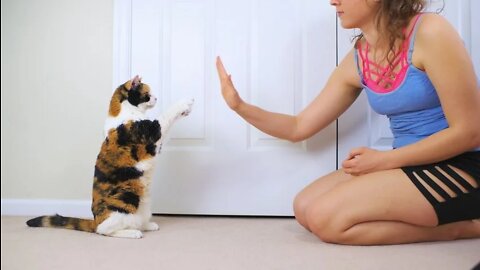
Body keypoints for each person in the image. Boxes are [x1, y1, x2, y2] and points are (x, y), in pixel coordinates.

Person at [216, 0, 480, 245]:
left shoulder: (430, 31)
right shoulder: (360, 56)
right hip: (410, 162)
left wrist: (385, 161)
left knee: (325, 218)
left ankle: (464, 227)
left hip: (463, 163)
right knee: (304, 207)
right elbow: (299, 127)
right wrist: (240, 106)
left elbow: (470, 132)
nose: (333, 1)